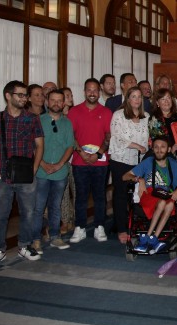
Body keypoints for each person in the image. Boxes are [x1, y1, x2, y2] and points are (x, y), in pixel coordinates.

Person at [0, 80, 45, 267]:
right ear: (8, 96)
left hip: (26, 174)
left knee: (28, 212)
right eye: (20, 95)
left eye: (25, 95)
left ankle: (25, 245)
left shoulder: (32, 118)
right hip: (1, 174)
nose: (24, 98)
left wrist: (34, 168)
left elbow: (40, 145)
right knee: (0, 215)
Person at [122, 136, 177, 254]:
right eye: (156, 147)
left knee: (169, 205)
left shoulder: (173, 164)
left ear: (169, 149)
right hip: (149, 194)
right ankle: (150, 238)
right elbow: (125, 176)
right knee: (165, 203)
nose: (159, 150)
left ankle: (151, 238)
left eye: (163, 147)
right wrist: (139, 179)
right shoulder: (148, 162)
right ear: (152, 149)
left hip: (165, 195)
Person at [68, 78, 113, 244]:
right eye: (89, 90)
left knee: (100, 195)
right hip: (80, 162)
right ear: (84, 91)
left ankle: (99, 226)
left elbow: (109, 136)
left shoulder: (107, 112)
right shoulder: (74, 111)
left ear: (99, 92)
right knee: (80, 196)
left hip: (100, 163)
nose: (92, 93)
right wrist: (82, 153)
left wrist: (98, 153)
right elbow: (71, 136)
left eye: (95, 90)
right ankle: (79, 227)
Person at [33, 89, 74, 252]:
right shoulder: (38, 121)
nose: (56, 103)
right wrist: (42, 164)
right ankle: (35, 239)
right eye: (53, 100)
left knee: (55, 206)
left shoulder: (67, 123)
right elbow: (33, 146)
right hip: (41, 172)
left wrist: (59, 165)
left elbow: (70, 146)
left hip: (60, 172)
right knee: (38, 206)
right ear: (47, 102)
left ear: (63, 103)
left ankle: (55, 236)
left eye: (59, 101)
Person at [109, 86, 149, 244]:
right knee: (121, 195)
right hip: (120, 160)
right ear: (127, 98)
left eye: (139, 97)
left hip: (139, 162)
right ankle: (122, 229)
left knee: (138, 196)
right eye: (133, 96)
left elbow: (148, 138)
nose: (137, 100)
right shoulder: (118, 115)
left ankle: (136, 226)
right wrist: (136, 145)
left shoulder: (146, 116)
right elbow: (116, 138)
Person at [59, 86, 76, 236]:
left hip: (75, 158)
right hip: (62, 159)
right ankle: (65, 220)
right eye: (67, 95)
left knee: (76, 190)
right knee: (64, 193)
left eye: (71, 95)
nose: (70, 98)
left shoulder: (75, 114)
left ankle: (74, 219)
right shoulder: (57, 117)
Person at [149, 88, 177, 154]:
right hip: (164, 155)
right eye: (163, 99)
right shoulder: (154, 120)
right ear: (157, 103)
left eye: (168, 98)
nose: (166, 101)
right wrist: (171, 149)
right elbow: (157, 143)